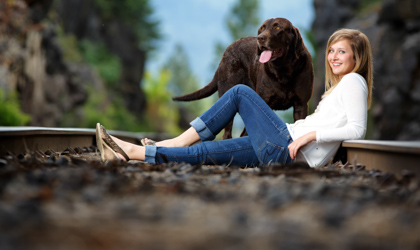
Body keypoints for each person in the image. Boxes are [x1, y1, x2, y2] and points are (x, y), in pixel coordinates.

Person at [96, 28, 373, 168]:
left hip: (286, 145)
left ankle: (177, 140)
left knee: (240, 92)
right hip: (281, 150)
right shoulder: (340, 87)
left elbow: (357, 130)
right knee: (204, 153)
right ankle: (130, 153)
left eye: (342, 52)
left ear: (356, 57)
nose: (333, 57)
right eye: (331, 51)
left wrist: (308, 136)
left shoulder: (353, 81)